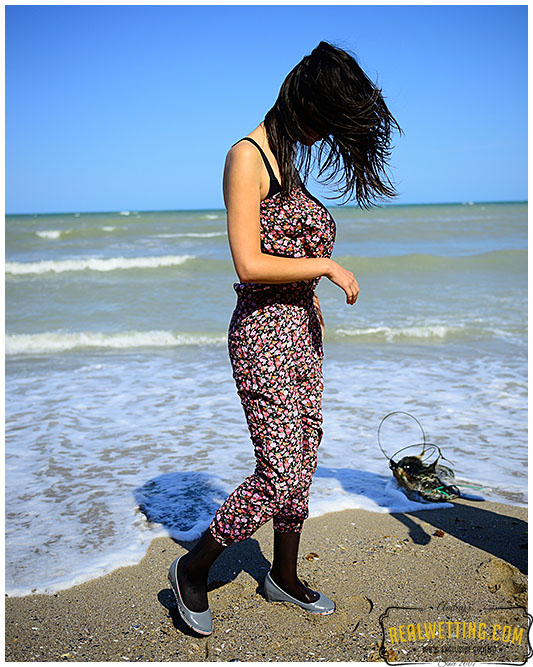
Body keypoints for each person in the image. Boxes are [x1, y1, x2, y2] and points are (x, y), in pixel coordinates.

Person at [168, 40, 401, 636]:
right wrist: (325, 267)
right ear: (302, 98)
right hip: (263, 336)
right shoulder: (247, 157)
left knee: (304, 457)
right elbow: (247, 263)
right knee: (278, 471)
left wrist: (312, 297)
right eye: (324, 116)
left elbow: (286, 246)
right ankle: (194, 568)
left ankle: (285, 576)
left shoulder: (290, 155)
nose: (325, 132)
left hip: (300, 333)